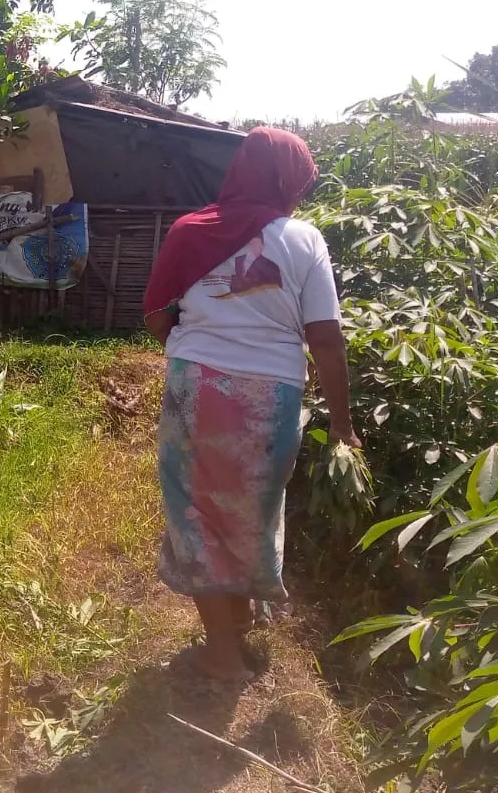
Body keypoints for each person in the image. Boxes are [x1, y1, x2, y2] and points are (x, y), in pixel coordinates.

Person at [142, 126, 359, 684]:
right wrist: (342, 424)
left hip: (198, 387)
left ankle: (222, 647)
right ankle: (232, 626)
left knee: (197, 511)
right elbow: (326, 338)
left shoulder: (190, 231)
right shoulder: (304, 240)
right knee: (252, 510)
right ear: (289, 180)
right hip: (275, 397)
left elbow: (156, 313)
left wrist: (191, 350)